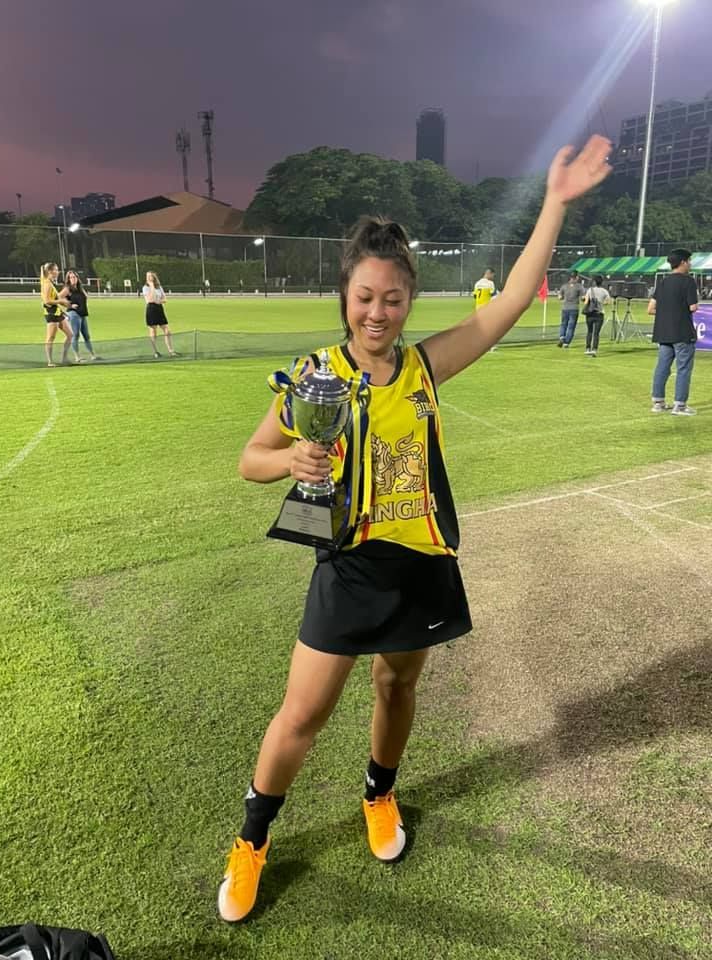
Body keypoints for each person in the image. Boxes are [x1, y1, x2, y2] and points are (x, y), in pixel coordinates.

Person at [218, 135, 612, 923]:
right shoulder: (315, 376)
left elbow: (505, 306)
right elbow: (248, 461)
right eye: (365, 297)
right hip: (349, 570)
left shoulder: (428, 366)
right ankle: (253, 841)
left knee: (398, 686)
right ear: (345, 296)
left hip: (422, 566)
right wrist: (292, 455)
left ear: (408, 300)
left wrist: (555, 204)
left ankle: (379, 795)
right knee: (302, 715)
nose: (378, 312)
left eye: (393, 298)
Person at [648, 248, 699, 416]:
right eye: (689, 261)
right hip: (682, 332)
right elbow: (693, 307)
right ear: (683, 262)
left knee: (662, 367)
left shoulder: (663, 282)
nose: (690, 264)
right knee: (683, 368)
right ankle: (680, 405)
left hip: (663, 332)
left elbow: (651, 309)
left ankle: (658, 402)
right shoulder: (688, 281)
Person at [39, 262, 73, 367]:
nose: (58, 272)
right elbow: (47, 301)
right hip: (51, 313)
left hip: (57, 312)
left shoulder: (50, 282)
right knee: (51, 337)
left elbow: (56, 298)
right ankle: (50, 361)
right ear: (50, 271)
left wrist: (65, 306)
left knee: (70, 335)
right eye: (56, 270)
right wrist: (61, 302)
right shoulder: (47, 284)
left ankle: (64, 358)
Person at [60, 270, 99, 362]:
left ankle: (93, 355)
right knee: (75, 335)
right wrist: (69, 305)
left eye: (75, 277)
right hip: (74, 314)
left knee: (86, 335)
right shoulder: (67, 289)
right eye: (71, 277)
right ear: (68, 279)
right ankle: (77, 356)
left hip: (82, 314)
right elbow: (58, 298)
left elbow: (85, 297)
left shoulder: (80, 288)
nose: (73, 279)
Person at [142, 271, 178, 357]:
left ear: (154, 277)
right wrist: (151, 286)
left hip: (159, 308)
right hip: (151, 309)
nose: (148, 278)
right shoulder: (145, 288)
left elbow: (164, 299)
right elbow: (150, 299)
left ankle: (171, 350)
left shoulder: (159, 287)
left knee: (167, 331)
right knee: (153, 331)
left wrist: (159, 300)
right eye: (147, 276)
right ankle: (156, 352)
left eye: (150, 276)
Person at [581, 275, 611, 357]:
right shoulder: (605, 291)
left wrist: (584, 300)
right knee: (596, 333)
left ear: (594, 282)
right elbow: (608, 302)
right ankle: (594, 349)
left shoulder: (590, 290)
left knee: (589, 331)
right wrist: (601, 303)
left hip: (590, 313)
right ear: (602, 282)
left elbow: (586, 302)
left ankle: (587, 348)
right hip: (599, 313)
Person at [557, 270, 586, 348]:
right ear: (576, 277)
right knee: (571, 326)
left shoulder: (564, 286)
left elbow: (560, 297)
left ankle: (562, 337)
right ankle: (566, 342)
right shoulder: (579, 286)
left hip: (565, 308)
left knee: (563, 324)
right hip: (574, 308)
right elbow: (583, 298)